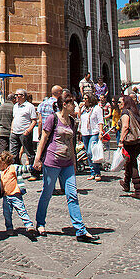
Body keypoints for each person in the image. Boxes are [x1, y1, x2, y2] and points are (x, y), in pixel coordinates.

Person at [33, 92, 99, 242]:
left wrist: (74, 162)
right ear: (64, 104)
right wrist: (37, 159)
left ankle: (80, 230)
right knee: (47, 193)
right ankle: (40, 223)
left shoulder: (72, 121)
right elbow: (43, 139)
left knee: (72, 195)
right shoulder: (52, 118)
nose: (75, 106)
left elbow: (71, 143)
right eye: (72, 104)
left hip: (67, 163)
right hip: (52, 161)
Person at [0, 150, 35, 236]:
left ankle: (29, 225)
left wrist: (34, 167)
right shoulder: (0, 172)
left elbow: (24, 168)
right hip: (6, 196)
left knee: (22, 210)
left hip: (16, 195)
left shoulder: (13, 168)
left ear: (4, 162)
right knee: (7, 214)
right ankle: (9, 228)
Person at [118, 95, 140, 197]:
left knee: (132, 162)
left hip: (130, 142)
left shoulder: (126, 112)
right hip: (139, 141)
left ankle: (138, 190)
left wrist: (121, 140)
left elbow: (125, 126)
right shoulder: (136, 111)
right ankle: (126, 183)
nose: (118, 104)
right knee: (130, 162)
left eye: (120, 102)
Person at [78, 94, 105, 181]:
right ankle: (93, 172)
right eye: (83, 98)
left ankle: (97, 172)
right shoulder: (83, 109)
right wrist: (79, 108)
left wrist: (101, 132)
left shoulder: (97, 108)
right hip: (85, 132)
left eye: (86, 98)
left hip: (94, 132)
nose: (84, 100)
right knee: (88, 153)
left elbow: (100, 121)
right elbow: (79, 118)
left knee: (90, 152)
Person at [9, 90, 38, 165]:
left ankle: (33, 171)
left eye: (17, 95)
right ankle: (16, 170)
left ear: (23, 96)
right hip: (15, 133)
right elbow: (14, 118)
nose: (15, 96)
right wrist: (12, 129)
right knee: (13, 154)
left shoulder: (29, 106)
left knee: (29, 153)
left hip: (24, 133)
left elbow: (34, 120)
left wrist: (28, 131)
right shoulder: (15, 106)